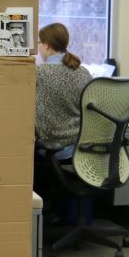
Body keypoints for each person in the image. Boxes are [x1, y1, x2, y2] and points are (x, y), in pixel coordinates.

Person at [35, 22, 91, 161]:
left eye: (39, 43)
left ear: (46, 45)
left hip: (51, 148)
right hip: (79, 146)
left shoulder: (39, 73)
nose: (39, 47)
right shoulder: (83, 72)